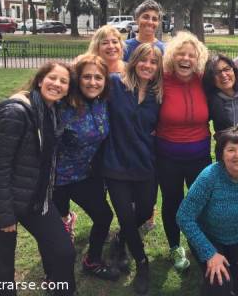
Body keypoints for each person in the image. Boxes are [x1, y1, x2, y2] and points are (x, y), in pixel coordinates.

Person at [0, 61, 76, 295]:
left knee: (63, 251)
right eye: (52, 78)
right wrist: (5, 217)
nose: (57, 84)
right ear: (40, 80)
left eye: (63, 81)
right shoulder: (16, 112)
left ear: (68, 89)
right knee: (3, 274)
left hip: (35, 200)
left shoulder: (53, 112)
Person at [177, 126, 238, 296]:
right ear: (221, 154)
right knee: (220, 286)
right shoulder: (209, 176)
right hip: (209, 239)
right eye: (231, 150)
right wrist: (209, 253)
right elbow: (184, 216)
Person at [101, 43, 163, 295]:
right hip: (115, 162)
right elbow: (84, 83)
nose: (148, 66)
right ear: (134, 61)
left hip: (146, 162)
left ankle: (121, 239)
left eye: (154, 62)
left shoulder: (159, 95)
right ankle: (142, 262)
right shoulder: (115, 84)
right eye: (143, 60)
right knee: (126, 215)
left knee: (146, 209)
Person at [53, 54, 118, 281]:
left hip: (84, 175)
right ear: (77, 79)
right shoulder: (61, 105)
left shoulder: (102, 102)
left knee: (103, 216)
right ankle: (56, 272)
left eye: (98, 77)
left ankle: (92, 261)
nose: (93, 82)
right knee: (59, 230)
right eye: (87, 77)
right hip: (55, 179)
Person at [156, 31, 210, 272]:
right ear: (172, 56)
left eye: (191, 55)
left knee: (201, 202)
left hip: (200, 156)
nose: (186, 58)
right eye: (181, 53)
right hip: (167, 157)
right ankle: (175, 246)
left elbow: (234, 75)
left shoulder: (204, 79)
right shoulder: (161, 79)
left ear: (198, 59)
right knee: (172, 202)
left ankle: (200, 244)